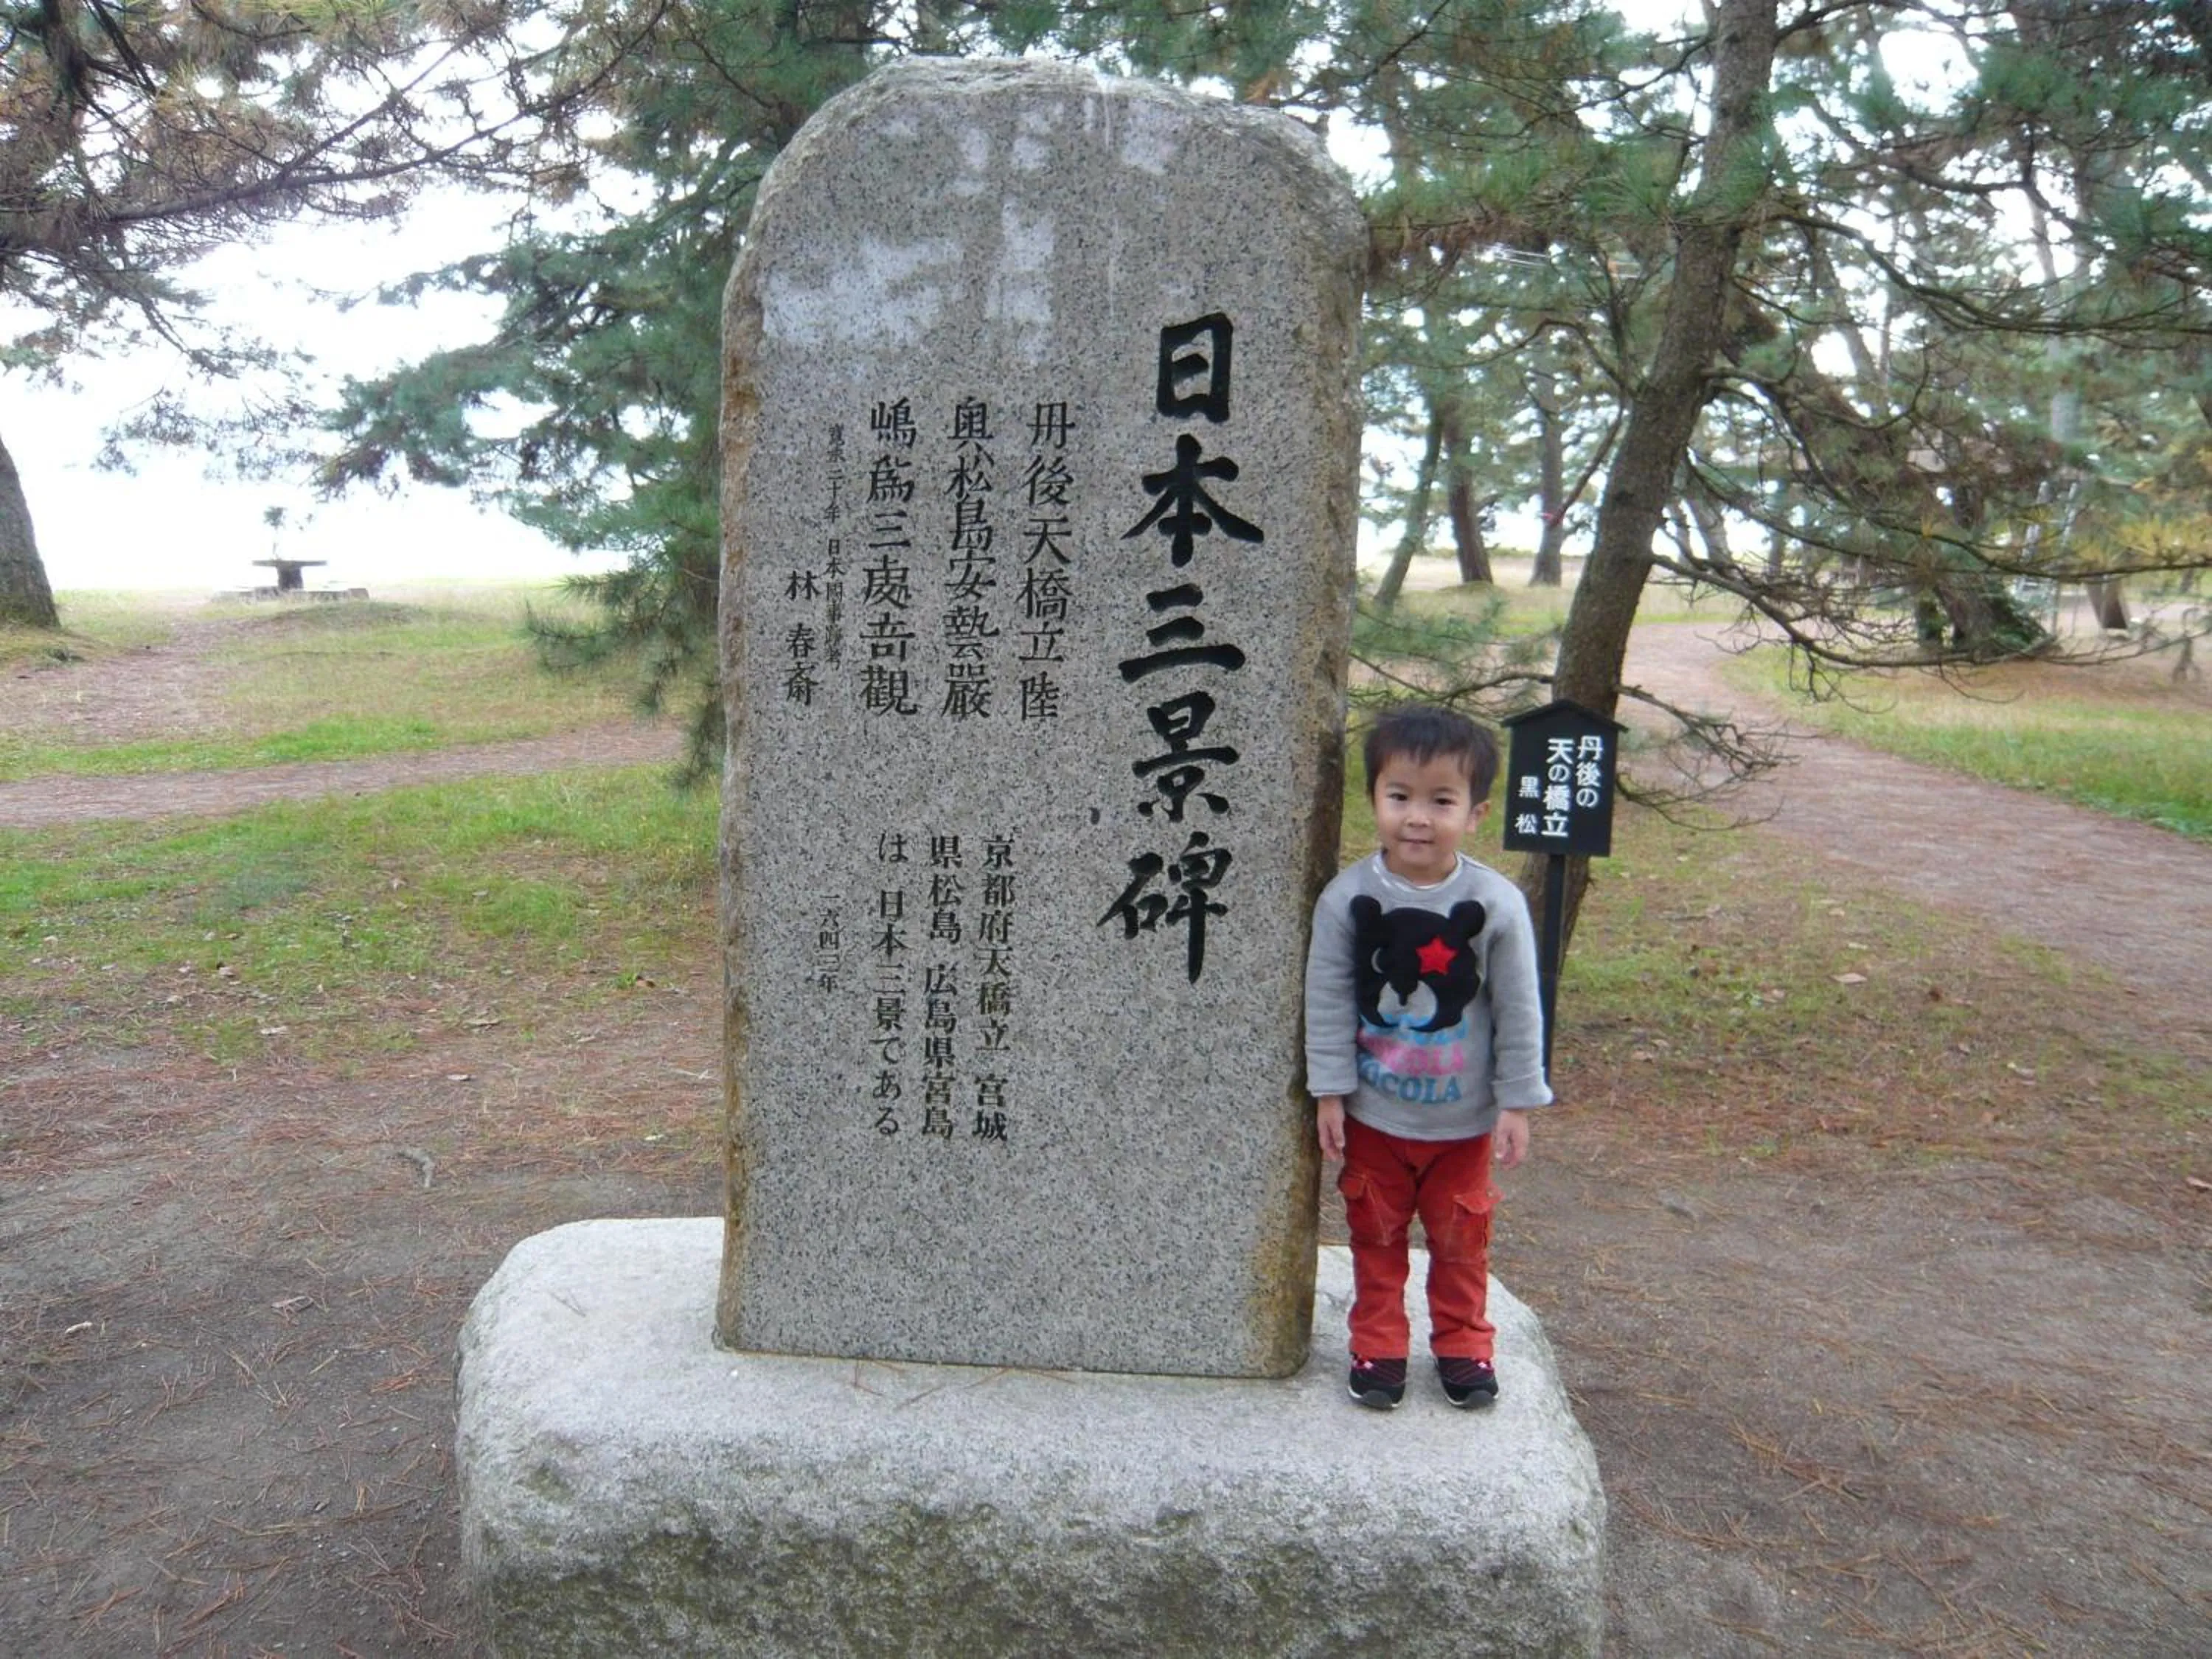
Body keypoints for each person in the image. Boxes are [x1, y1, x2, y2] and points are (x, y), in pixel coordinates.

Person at [1304, 702, 1553, 1410]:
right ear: (1375, 797)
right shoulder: (1347, 899)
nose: (1418, 817)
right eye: (1400, 796)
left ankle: (1464, 1346)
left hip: (1463, 1125)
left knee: (1460, 1241)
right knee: (1374, 1237)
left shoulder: (1495, 902)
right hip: (1374, 1117)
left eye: (1441, 800)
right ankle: (1378, 1346)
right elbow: (1324, 999)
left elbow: (1517, 1007)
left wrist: (1516, 1102)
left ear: (1475, 813)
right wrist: (1329, 1091)